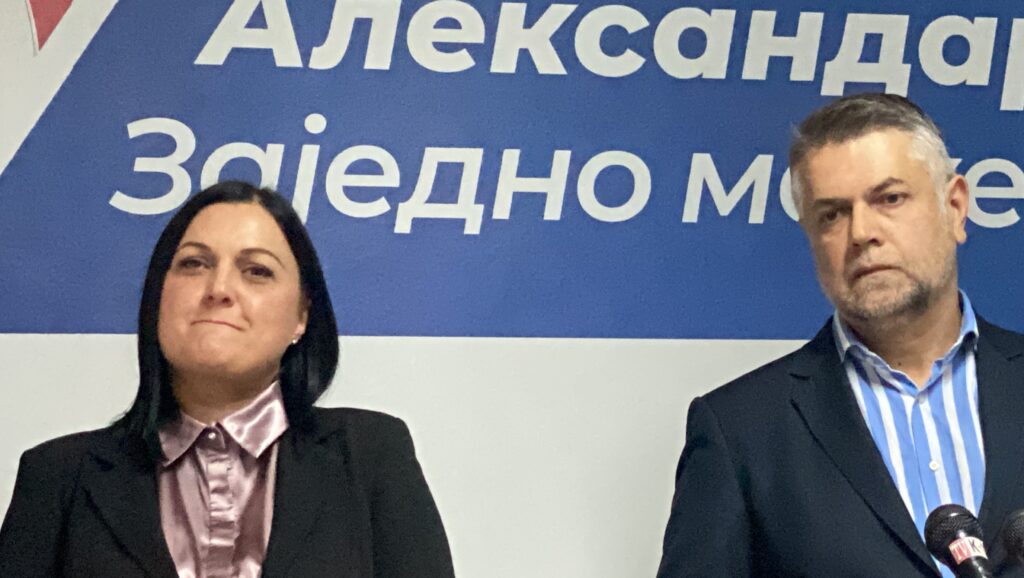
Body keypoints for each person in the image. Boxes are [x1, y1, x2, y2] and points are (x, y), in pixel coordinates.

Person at [0, 181, 455, 577]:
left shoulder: (371, 454)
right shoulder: (58, 476)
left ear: (301, 315)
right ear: (158, 296)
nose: (218, 289)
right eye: (193, 264)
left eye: (257, 271)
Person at [657, 93, 1024, 577]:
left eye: (889, 199)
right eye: (832, 214)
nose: (861, 233)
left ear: (955, 207)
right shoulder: (741, 431)